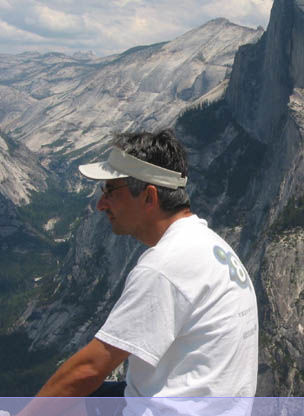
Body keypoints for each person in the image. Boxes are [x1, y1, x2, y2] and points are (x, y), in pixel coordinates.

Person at [33, 129, 259, 398]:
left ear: (149, 197)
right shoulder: (210, 244)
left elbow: (89, 369)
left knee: (70, 393)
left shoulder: (164, 266)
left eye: (110, 191)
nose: (100, 204)